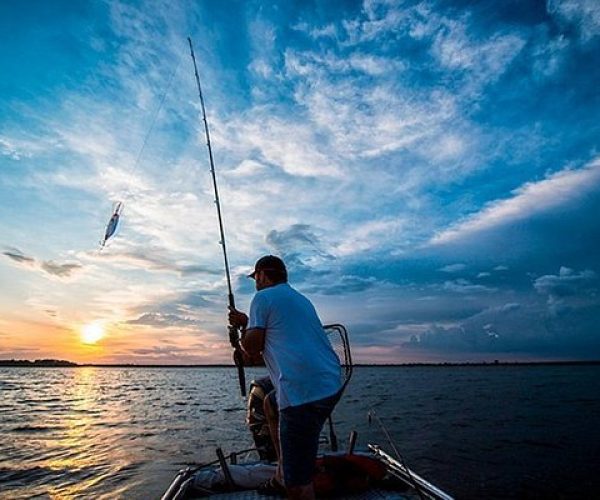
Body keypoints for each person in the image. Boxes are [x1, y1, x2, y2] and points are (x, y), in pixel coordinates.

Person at [229, 255, 342, 500]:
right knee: (270, 402)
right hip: (330, 382)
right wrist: (248, 325)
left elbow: (252, 348)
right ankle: (283, 472)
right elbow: (273, 349)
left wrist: (243, 328)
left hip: (303, 391)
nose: (255, 283)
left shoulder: (263, 298)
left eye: (255, 278)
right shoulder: (300, 300)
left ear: (261, 275)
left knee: (298, 487)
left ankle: (294, 480)